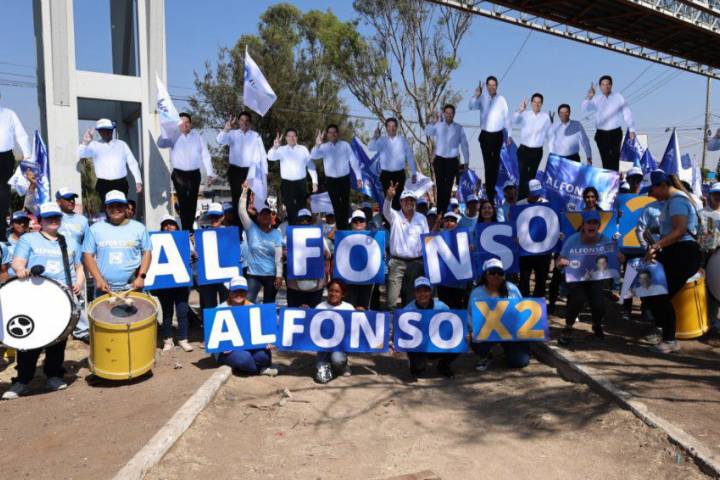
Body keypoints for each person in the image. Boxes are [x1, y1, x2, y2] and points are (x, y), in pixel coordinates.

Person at [3, 203, 85, 400]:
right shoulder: (29, 239)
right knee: (29, 340)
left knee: (58, 339)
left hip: (62, 297)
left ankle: (54, 375)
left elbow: (79, 267)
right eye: (49, 218)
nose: (53, 220)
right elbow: (17, 262)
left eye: (56, 217)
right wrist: (21, 269)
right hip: (34, 296)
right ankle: (22, 381)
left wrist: (79, 283)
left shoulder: (69, 241)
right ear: (40, 221)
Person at [643, 170, 702, 353]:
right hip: (675, 252)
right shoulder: (672, 201)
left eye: (652, 190)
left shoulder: (677, 201)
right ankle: (664, 333)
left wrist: (656, 245)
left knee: (660, 295)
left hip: (683, 253)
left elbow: (680, 230)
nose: (651, 195)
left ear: (662, 185)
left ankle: (669, 340)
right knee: (653, 293)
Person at [557, 210, 615, 345]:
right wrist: (561, 262)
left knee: (599, 304)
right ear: (583, 224)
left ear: (599, 225)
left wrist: (620, 257)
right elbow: (559, 259)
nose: (592, 225)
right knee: (578, 299)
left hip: (595, 278)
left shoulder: (605, 240)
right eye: (589, 222)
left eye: (595, 223)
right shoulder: (573, 239)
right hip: (576, 277)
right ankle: (568, 327)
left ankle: (597, 325)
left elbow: (615, 257)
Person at [82, 190, 151, 294]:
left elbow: (147, 253)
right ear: (106, 208)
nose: (115, 209)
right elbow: (87, 255)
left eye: (119, 205)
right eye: (111, 206)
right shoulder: (94, 229)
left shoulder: (139, 228)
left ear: (126, 207)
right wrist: (98, 279)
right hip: (105, 289)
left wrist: (141, 277)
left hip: (133, 288)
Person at [468, 258, 530, 371]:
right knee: (473, 338)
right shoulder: (476, 293)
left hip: (511, 332)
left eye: (500, 273)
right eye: (492, 272)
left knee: (520, 361)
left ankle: (510, 350)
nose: (496, 275)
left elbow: (522, 311)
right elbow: (471, 316)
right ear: (485, 275)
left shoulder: (512, 289)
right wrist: (472, 331)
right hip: (487, 332)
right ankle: (486, 355)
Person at [157, 112, 215, 231]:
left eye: (187, 122)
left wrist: (209, 173)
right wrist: (164, 131)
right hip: (179, 174)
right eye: (182, 122)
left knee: (192, 202)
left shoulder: (197, 137)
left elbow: (205, 155)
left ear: (190, 124)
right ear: (178, 124)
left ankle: (190, 228)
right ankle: (186, 229)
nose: (185, 125)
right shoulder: (173, 135)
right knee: (183, 201)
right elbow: (161, 143)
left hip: (194, 174)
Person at [211, 275, 278, 376]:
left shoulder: (253, 307)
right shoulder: (219, 309)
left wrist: (268, 341)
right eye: (235, 291)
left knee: (264, 356)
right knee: (244, 359)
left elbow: (263, 330)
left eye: (242, 291)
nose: (239, 294)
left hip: (248, 346)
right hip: (228, 350)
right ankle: (259, 369)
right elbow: (212, 336)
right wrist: (222, 346)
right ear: (230, 292)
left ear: (246, 292)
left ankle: (248, 367)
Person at [383, 183, 429, 309]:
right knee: (392, 300)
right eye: (406, 200)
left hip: (416, 263)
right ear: (401, 202)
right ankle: (391, 320)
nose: (409, 202)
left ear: (415, 202)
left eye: (412, 200)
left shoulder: (422, 218)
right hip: (397, 263)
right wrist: (388, 197)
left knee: (411, 300)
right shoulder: (394, 216)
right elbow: (385, 210)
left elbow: (426, 240)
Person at [216, 112, 267, 224]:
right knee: (236, 199)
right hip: (235, 171)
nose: (244, 123)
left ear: (250, 123)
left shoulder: (255, 136)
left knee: (249, 200)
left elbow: (262, 154)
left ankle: (249, 225)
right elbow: (219, 140)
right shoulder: (232, 134)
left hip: (250, 171)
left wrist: (265, 171)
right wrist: (225, 129)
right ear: (239, 122)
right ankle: (238, 226)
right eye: (242, 120)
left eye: (247, 120)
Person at [310, 125, 362, 230]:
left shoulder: (345, 145)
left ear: (337, 134)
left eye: (334, 132)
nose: (332, 134)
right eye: (330, 132)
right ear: (327, 135)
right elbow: (313, 156)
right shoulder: (323, 147)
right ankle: (341, 229)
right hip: (331, 181)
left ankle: (345, 228)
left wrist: (358, 177)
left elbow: (353, 161)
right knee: (336, 205)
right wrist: (317, 144)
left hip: (344, 179)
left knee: (345, 205)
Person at [153, 216, 193, 353]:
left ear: (177, 226)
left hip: (181, 282)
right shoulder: (155, 241)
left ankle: (183, 339)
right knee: (167, 312)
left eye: (171, 224)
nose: (168, 227)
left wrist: (192, 256)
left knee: (182, 312)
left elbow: (193, 255)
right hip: (164, 284)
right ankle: (168, 340)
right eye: (165, 224)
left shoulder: (184, 239)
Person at [55, 187, 91, 341]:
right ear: (58, 202)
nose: (71, 201)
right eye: (67, 198)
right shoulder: (54, 217)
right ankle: (58, 329)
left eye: (73, 198)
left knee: (78, 295)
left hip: (77, 263)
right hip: (57, 262)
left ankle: (81, 331)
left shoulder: (82, 220)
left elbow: (87, 243)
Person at [404, 276, 457, 378]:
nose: (422, 294)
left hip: (438, 342)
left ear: (431, 292)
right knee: (418, 369)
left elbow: (453, 323)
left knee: (459, 341)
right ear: (414, 293)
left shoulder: (441, 306)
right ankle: (415, 362)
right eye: (419, 291)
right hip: (418, 346)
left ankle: (444, 366)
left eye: (426, 291)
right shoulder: (407, 310)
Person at [468, 76, 512, 201]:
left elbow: (507, 118)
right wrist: (476, 95)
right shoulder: (482, 98)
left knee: (495, 164)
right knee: (488, 164)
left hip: (498, 135)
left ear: (496, 86)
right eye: (489, 85)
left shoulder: (501, 100)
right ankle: (489, 193)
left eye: (494, 85)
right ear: (486, 86)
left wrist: (509, 135)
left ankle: (493, 190)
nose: (492, 87)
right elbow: (471, 106)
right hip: (485, 135)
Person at [78, 119, 143, 202]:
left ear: (112, 130)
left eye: (108, 129)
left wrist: (138, 181)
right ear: (99, 132)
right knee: (106, 208)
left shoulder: (122, 144)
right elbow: (80, 154)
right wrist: (85, 142)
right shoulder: (94, 145)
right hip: (103, 184)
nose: (105, 132)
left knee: (121, 206)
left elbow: (132, 163)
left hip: (121, 183)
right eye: (102, 130)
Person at [238, 186, 283, 304]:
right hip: (253, 275)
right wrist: (244, 191)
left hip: (271, 275)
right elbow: (241, 211)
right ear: (257, 217)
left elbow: (279, 257)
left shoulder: (276, 234)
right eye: (262, 214)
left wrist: (279, 275)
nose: (265, 216)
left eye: (267, 214)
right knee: (247, 302)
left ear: (271, 216)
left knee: (269, 305)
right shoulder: (250, 228)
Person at [582, 75, 636, 171]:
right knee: (605, 159)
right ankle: (609, 178)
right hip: (601, 134)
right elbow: (584, 108)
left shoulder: (618, 97)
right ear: (600, 87)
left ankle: (614, 177)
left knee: (615, 158)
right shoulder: (596, 99)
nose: (605, 87)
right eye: (603, 84)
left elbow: (626, 112)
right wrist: (589, 97)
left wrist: (631, 129)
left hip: (615, 133)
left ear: (611, 85)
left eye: (607, 84)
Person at [425, 105, 470, 213]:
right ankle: (440, 212)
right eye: (447, 112)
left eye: (451, 113)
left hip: (452, 161)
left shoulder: (459, 128)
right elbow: (427, 132)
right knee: (440, 186)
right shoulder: (438, 126)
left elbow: (464, 145)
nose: (449, 115)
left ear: (454, 114)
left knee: (448, 187)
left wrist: (466, 161)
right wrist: (432, 122)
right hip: (439, 160)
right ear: (444, 114)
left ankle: (444, 211)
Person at [268, 129, 318, 223]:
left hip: (301, 184)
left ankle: (302, 226)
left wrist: (315, 182)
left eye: (294, 136)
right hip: (287, 184)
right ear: (286, 138)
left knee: (301, 208)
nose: (291, 138)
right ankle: (292, 227)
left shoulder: (303, 149)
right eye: (289, 136)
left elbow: (311, 165)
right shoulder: (281, 149)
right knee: (289, 208)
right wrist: (275, 147)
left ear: (297, 137)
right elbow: (270, 157)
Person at [284, 208, 331, 308]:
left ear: (311, 221)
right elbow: (282, 254)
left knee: (314, 315)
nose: (304, 222)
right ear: (297, 221)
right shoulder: (288, 237)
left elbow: (327, 255)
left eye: (307, 219)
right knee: (294, 313)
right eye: (301, 219)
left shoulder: (320, 237)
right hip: (295, 286)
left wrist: (327, 275)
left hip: (315, 286)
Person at [0, 92, 31, 241]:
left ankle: (1, 234)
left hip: (5, 157)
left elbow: (21, 135)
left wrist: (27, 155)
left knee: (3, 194)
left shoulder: (9, 114)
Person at [368, 118, 417, 210]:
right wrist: (375, 137)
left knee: (398, 200)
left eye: (394, 126)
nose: (391, 128)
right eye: (389, 126)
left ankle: (398, 218)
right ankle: (387, 219)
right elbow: (370, 147)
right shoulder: (381, 140)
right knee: (388, 200)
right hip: (386, 175)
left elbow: (409, 156)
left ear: (396, 127)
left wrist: (413, 173)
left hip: (399, 174)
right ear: (386, 128)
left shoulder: (402, 140)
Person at [516, 180, 552, 298]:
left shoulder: (547, 203)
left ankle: (538, 304)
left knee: (541, 280)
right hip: (525, 251)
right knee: (524, 280)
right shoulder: (519, 205)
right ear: (528, 193)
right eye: (534, 193)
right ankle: (524, 303)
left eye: (538, 192)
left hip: (543, 250)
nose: (537, 196)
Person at [314, 279, 354, 384]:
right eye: (331, 290)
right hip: (323, 348)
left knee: (337, 360)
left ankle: (343, 365)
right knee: (322, 379)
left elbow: (354, 331)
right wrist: (305, 311)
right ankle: (326, 364)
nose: (333, 294)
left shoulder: (349, 308)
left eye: (337, 291)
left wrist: (360, 314)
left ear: (343, 294)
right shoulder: (320, 307)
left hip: (340, 347)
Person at [513, 93, 551, 199]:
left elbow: (549, 134)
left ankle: (529, 199)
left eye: (539, 102)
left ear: (542, 104)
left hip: (537, 151)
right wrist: (520, 110)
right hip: (524, 150)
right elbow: (515, 121)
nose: (536, 104)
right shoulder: (525, 114)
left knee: (531, 178)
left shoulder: (545, 117)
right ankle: (521, 200)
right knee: (523, 176)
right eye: (534, 102)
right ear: (531, 103)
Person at [196, 202, 231, 309]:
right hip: (208, 276)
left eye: (217, 216)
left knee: (226, 306)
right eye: (211, 216)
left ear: (222, 217)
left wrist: (239, 257)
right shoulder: (201, 234)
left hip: (225, 276)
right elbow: (196, 253)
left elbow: (238, 252)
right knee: (209, 307)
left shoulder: (230, 233)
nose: (214, 219)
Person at [343, 210, 377, 310]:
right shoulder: (344, 238)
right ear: (351, 223)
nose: (358, 222)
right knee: (349, 306)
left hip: (367, 278)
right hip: (349, 278)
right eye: (355, 220)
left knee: (363, 307)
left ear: (365, 223)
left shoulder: (374, 237)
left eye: (361, 220)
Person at [436, 211, 468, 309]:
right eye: (447, 220)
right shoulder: (437, 236)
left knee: (457, 307)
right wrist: (437, 223)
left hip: (458, 284)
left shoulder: (463, 237)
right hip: (443, 282)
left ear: (456, 224)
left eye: (452, 220)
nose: (449, 222)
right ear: (443, 223)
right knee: (444, 307)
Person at [700, 182, 720, 335]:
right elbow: (701, 236)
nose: (718, 197)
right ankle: (711, 321)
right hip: (706, 255)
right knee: (710, 289)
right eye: (715, 194)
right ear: (710, 195)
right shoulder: (702, 214)